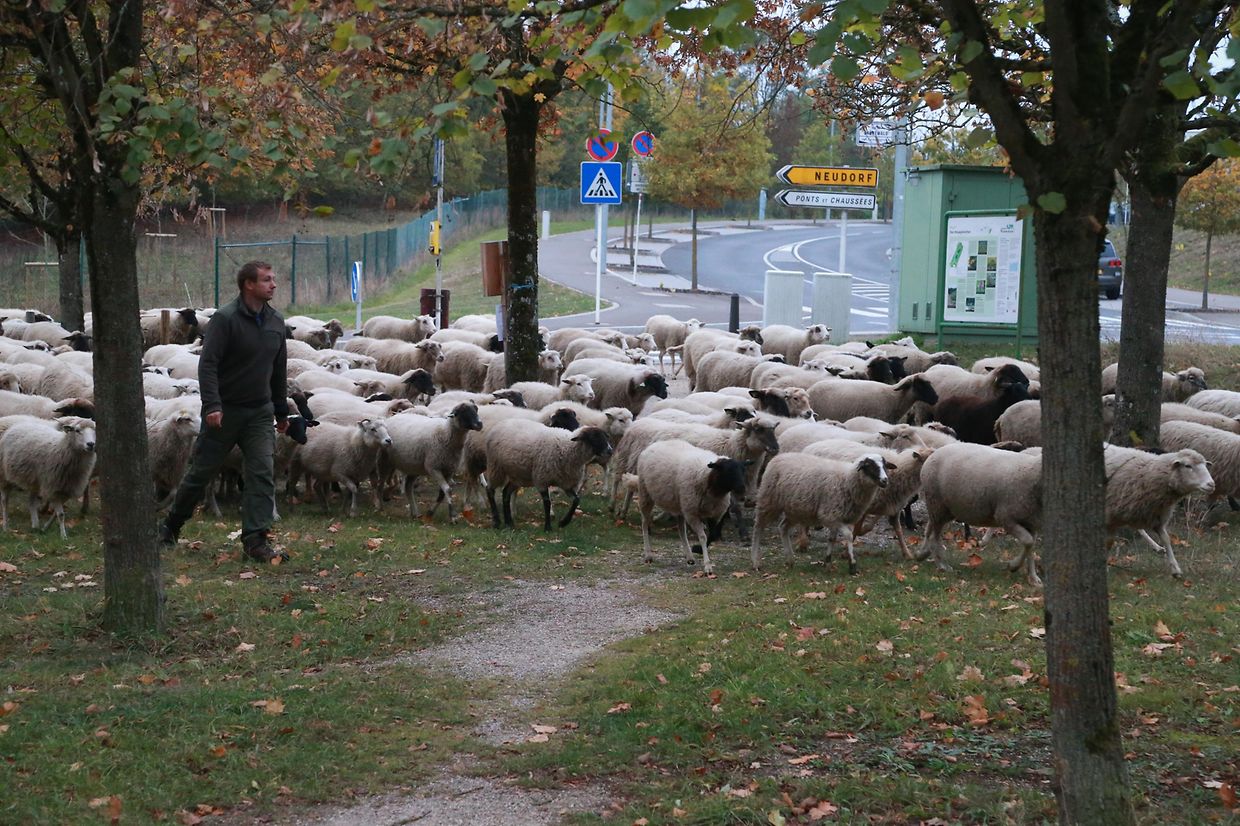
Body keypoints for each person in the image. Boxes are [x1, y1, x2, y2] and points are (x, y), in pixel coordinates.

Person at [159, 261, 290, 563]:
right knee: (201, 473)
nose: (273, 285)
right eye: (267, 280)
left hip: (259, 411)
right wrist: (213, 404)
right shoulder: (225, 319)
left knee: (261, 472)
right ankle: (171, 525)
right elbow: (208, 364)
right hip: (227, 410)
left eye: (274, 279)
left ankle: (256, 540)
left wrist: (281, 411)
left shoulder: (275, 322)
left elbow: (278, 370)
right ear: (249, 285)